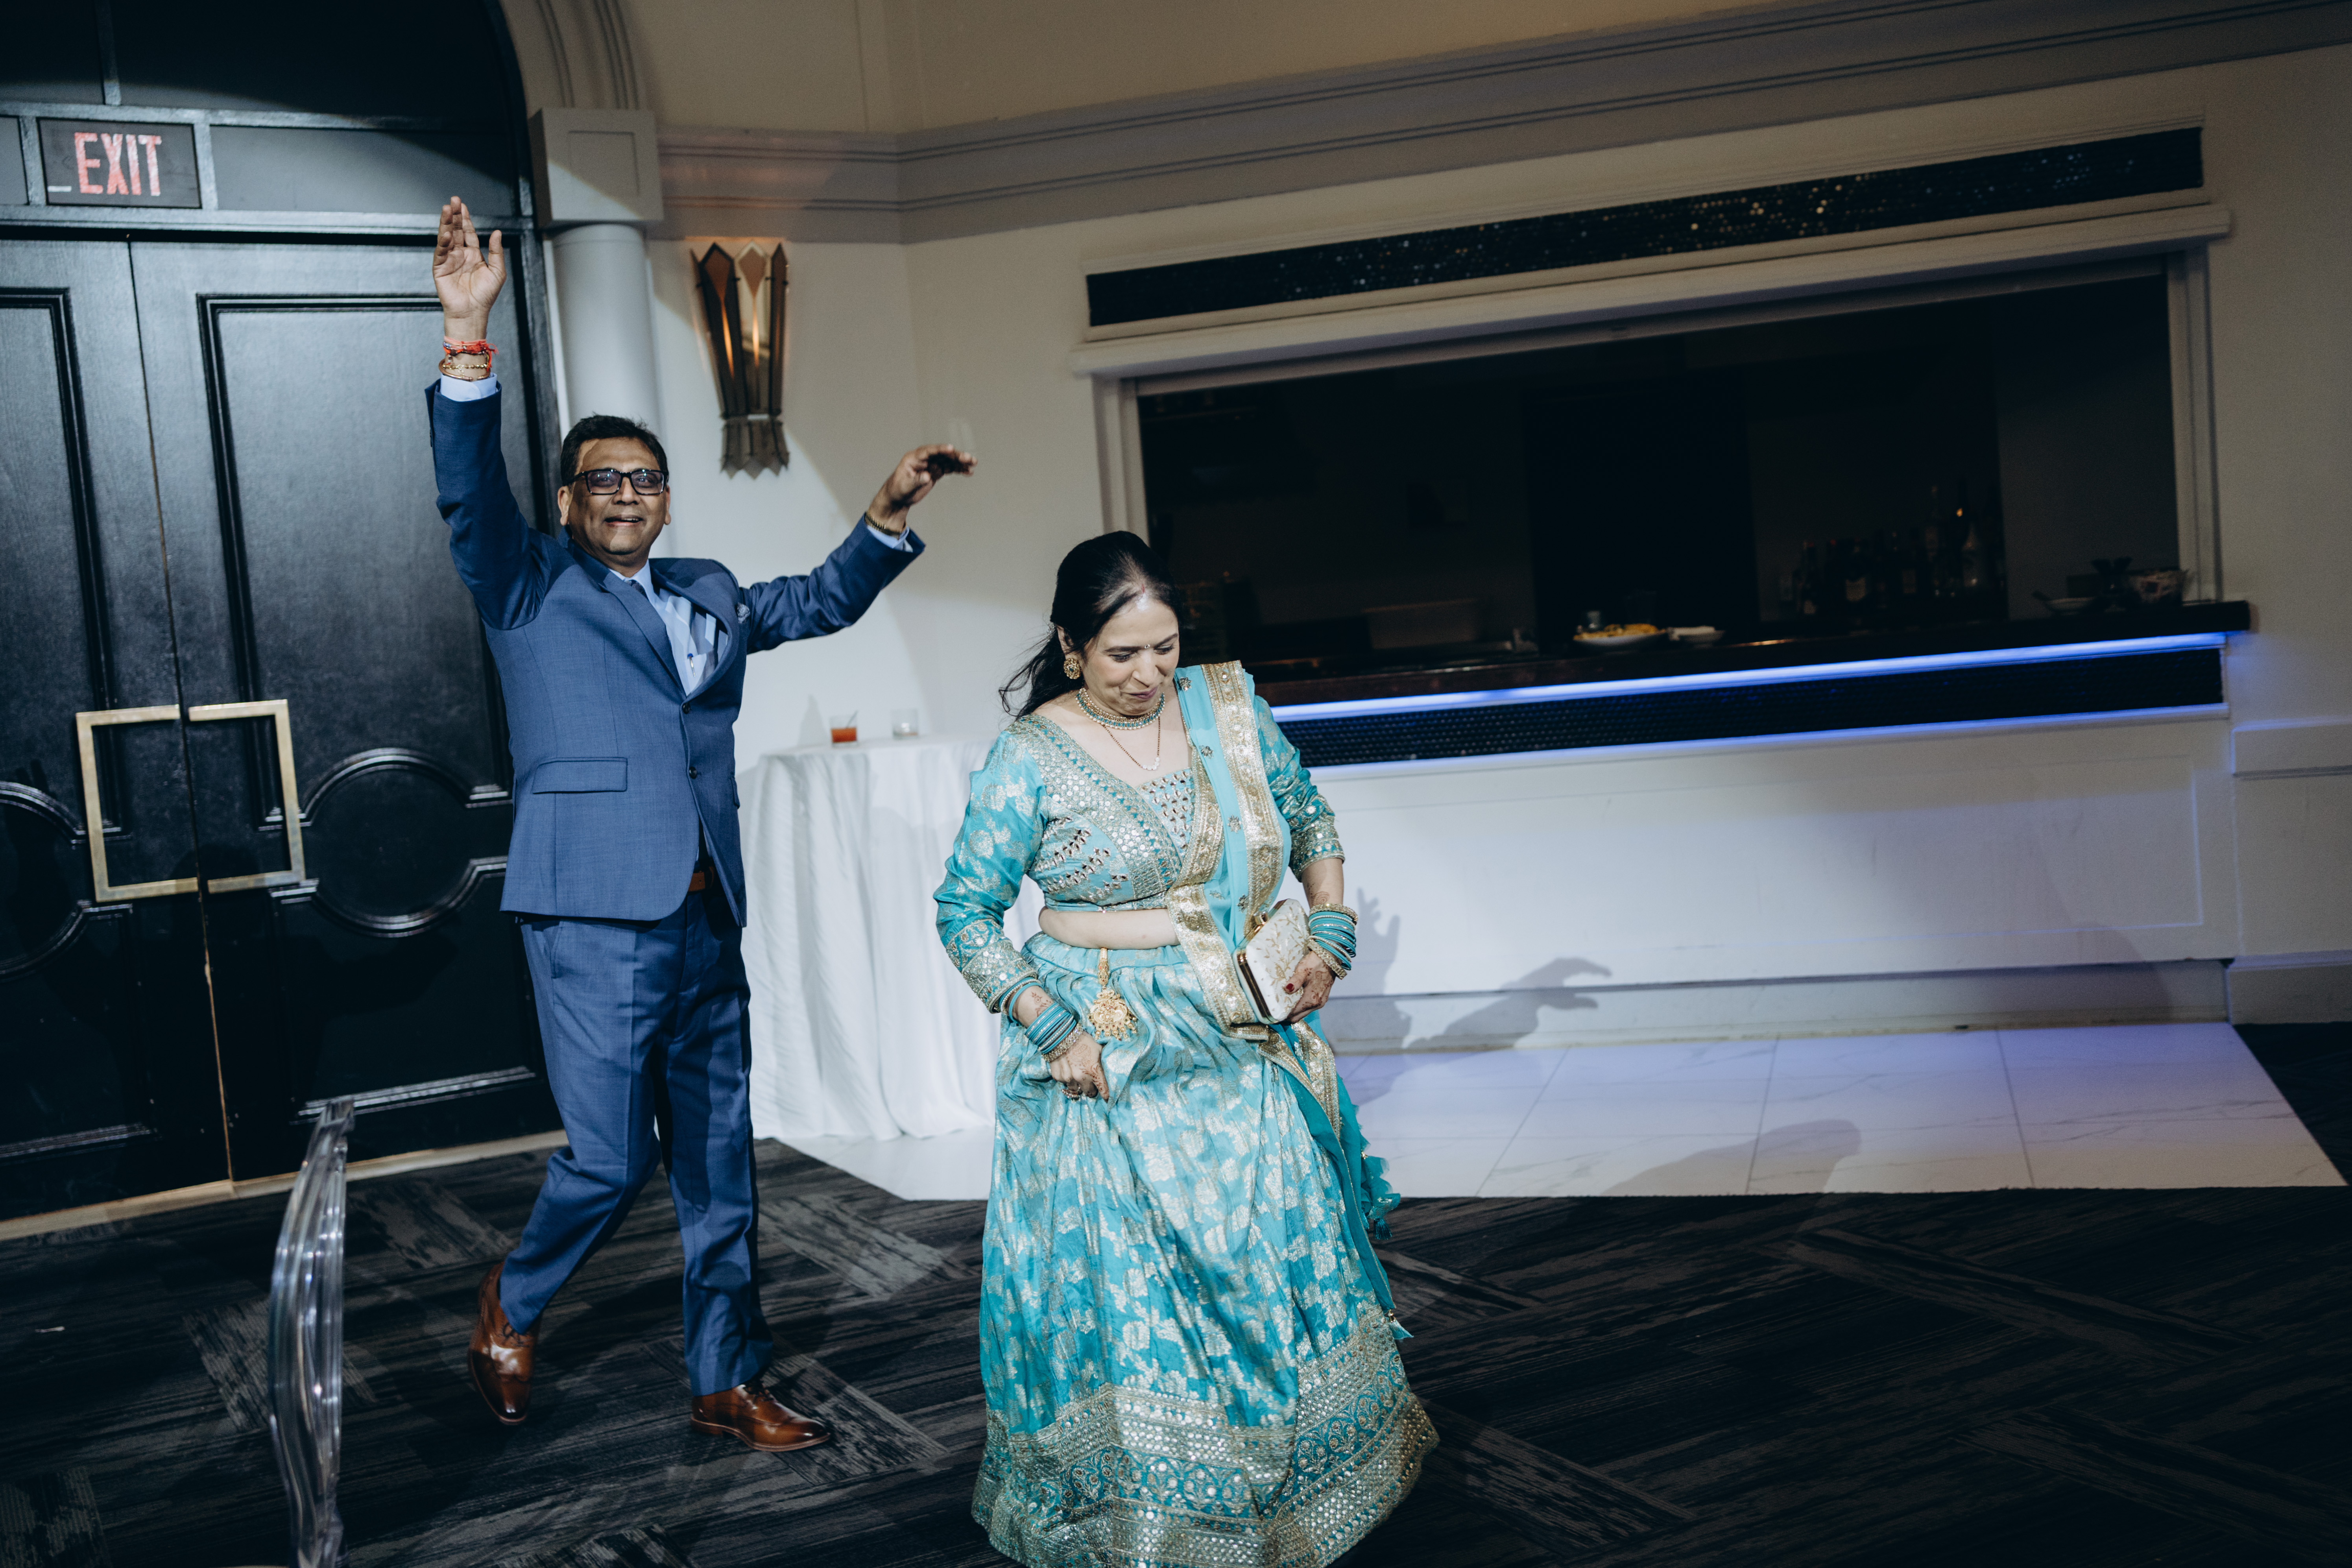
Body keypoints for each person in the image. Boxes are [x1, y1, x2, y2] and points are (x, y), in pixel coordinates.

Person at [427, 197, 973, 1451]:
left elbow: (818, 599)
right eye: (602, 480)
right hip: (591, 915)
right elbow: (467, 493)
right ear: (568, 501)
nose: (625, 494)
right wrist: (466, 335)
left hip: (706, 914)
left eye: (644, 479)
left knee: (721, 1163)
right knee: (609, 1161)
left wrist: (886, 511)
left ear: (667, 500)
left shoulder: (709, 590)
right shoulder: (526, 584)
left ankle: (727, 1377)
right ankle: (512, 1299)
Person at [934, 533, 1435, 1564]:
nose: (1148, 674)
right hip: (1107, 1028)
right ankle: (1156, 1508)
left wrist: (1330, 931)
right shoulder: (1030, 755)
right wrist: (1048, 1023)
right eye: (1121, 654)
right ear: (1071, 647)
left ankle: (1301, 1477)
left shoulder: (1226, 711)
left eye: (1163, 649)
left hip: (1239, 1011)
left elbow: (1308, 819)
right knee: (1137, 1269)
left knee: (1266, 1242)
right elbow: (966, 912)